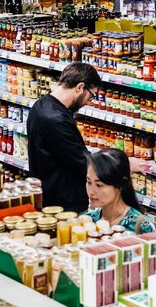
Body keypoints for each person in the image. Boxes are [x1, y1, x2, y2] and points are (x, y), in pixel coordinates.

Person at [26, 62, 102, 214]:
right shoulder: (56, 119)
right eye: (91, 95)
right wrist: (120, 164)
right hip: (62, 206)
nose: (88, 102)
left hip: (46, 196)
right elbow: (82, 161)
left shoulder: (40, 105)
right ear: (80, 87)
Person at [83, 148, 153, 234]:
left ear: (121, 184)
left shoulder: (143, 227)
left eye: (99, 185)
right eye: (89, 182)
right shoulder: (87, 221)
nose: (91, 191)